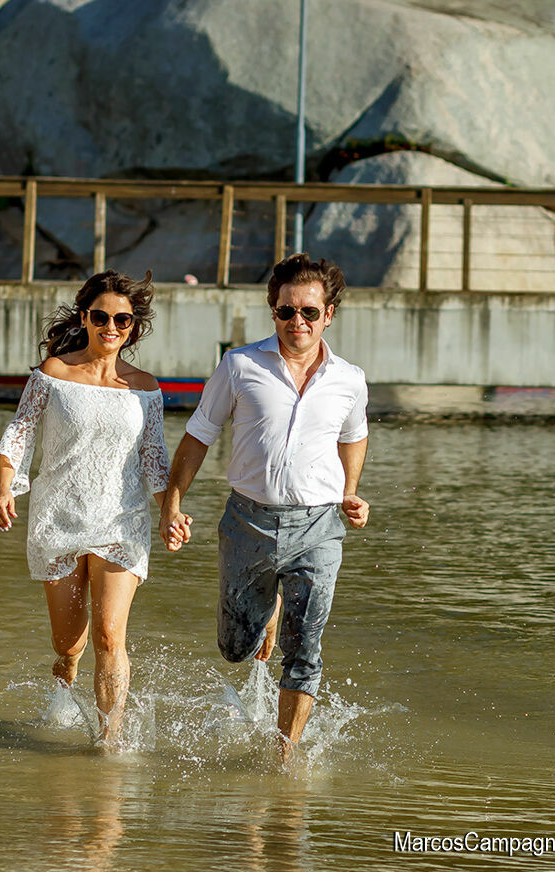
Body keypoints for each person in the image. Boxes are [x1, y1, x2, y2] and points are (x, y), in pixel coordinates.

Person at [160, 253, 370, 762]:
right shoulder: (240, 365)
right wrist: (171, 504)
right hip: (247, 521)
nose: (297, 322)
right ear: (272, 309)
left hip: (319, 525)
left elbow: (354, 436)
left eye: (309, 313)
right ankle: (266, 609)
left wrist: (351, 492)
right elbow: (197, 437)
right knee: (235, 648)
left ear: (330, 314)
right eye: (286, 311)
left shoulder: (349, 379)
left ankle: (284, 756)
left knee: (306, 646)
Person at [0, 269, 170, 746]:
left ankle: (109, 742)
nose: (111, 327)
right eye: (101, 317)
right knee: (69, 644)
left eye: (123, 320)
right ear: (86, 317)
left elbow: (155, 460)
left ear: (134, 326)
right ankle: (64, 686)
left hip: (121, 522)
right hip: (59, 517)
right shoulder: (54, 373)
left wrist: (171, 510)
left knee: (111, 638)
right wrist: (4, 488)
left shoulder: (146, 389)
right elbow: (20, 433)